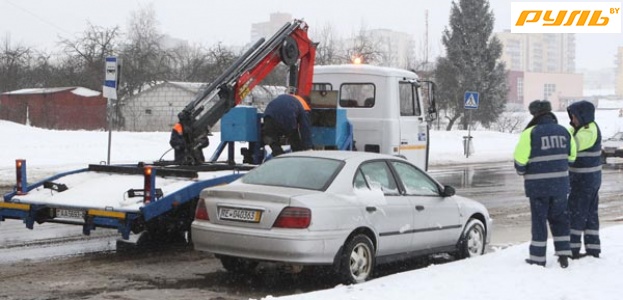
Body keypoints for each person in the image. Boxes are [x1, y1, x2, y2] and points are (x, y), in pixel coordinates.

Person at [513, 99, 576, 268]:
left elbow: (520, 161)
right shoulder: (564, 132)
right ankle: (563, 254)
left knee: (539, 222)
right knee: (560, 219)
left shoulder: (530, 133)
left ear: (535, 114)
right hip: (561, 186)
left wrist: (522, 171)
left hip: (538, 188)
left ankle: (538, 258)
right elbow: (572, 157)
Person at [566, 100, 602, 259]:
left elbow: (573, 145)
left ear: (583, 116)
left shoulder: (588, 130)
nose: (572, 120)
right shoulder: (582, 129)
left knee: (575, 213)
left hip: (584, 181)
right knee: (589, 215)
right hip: (588, 180)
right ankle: (593, 248)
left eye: (574, 116)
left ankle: (571, 249)